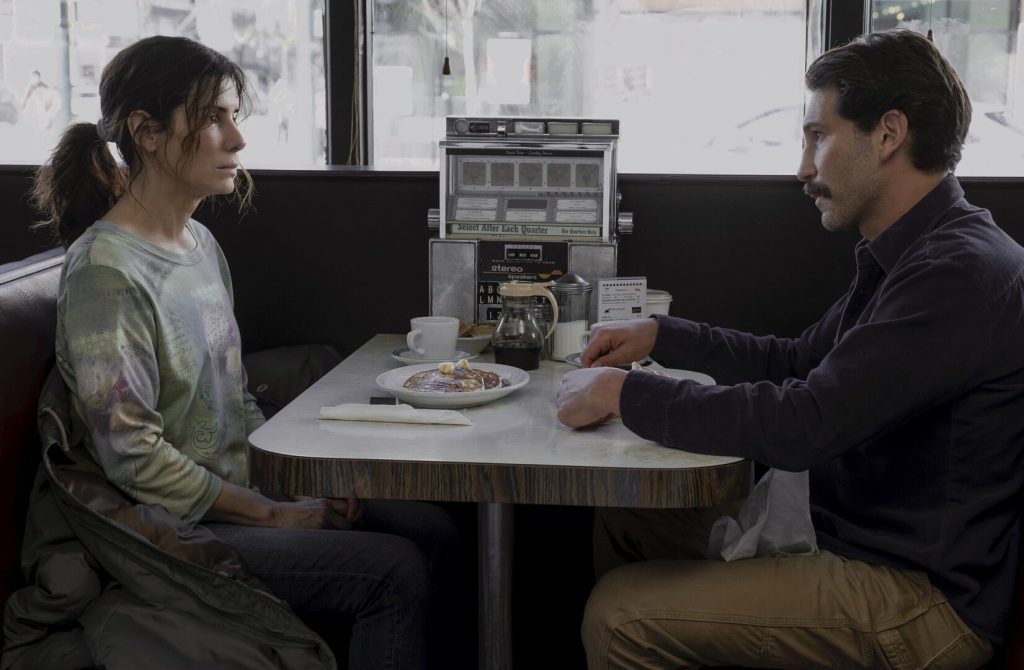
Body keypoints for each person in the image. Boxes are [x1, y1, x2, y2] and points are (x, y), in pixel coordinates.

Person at [557, 29, 1024, 670]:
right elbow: (800, 364)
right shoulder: (915, 251)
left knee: (619, 620)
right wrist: (665, 335)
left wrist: (626, 393)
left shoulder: (956, 273)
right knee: (629, 516)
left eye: (818, 137)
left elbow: (805, 424)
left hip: (920, 599)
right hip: (849, 539)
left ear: (889, 134)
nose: (804, 168)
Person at [27, 35, 461, 670]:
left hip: (240, 495)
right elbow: (133, 459)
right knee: (392, 572)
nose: (237, 139)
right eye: (213, 118)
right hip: (176, 530)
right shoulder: (105, 273)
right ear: (147, 132)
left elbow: (233, 400)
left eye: (235, 116)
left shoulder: (199, 244)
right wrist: (273, 515)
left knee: (435, 530)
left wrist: (299, 484)